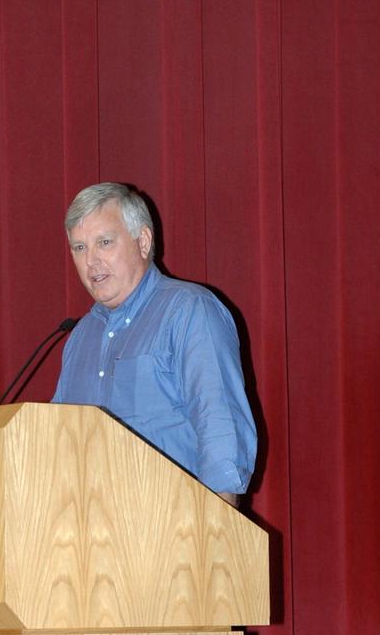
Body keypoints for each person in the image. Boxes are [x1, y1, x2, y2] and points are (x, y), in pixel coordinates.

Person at [53, 182, 256, 506]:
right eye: (79, 248)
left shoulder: (189, 310)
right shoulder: (79, 338)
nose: (91, 261)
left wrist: (219, 537)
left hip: (176, 529)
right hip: (86, 538)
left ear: (143, 241)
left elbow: (219, 426)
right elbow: (54, 441)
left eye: (104, 242)